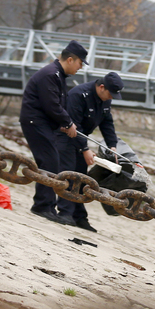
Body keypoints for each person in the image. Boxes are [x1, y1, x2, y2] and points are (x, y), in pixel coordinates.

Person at [18, 40, 87, 224]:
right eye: (81, 63)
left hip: (42, 123)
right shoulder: (51, 74)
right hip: (35, 122)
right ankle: (41, 206)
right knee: (49, 161)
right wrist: (68, 122)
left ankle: (46, 205)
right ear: (71, 60)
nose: (81, 68)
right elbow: (52, 105)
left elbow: (55, 105)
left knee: (50, 161)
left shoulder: (57, 75)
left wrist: (62, 124)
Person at [55, 72, 126, 231]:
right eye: (110, 94)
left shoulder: (105, 100)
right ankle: (65, 212)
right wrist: (85, 149)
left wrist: (112, 145)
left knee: (82, 178)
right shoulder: (79, 95)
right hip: (66, 136)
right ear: (101, 87)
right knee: (69, 174)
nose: (111, 98)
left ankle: (80, 217)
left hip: (81, 138)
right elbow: (74, 125)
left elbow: (107, 123)